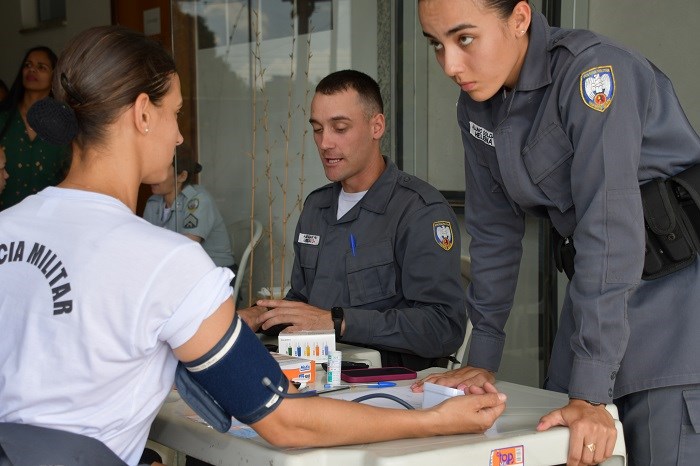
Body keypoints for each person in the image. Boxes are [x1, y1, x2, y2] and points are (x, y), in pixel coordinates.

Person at [0, 25, 507, 465]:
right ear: (142, 114)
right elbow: (285, 423)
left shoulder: (9, 227)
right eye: (175, 112)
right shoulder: (165, 260)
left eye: (340, 127)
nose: (180, 137)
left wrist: (226, 323)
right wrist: (435, 421)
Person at [416, 1, 700, 465]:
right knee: (554, 446)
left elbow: (609, 231)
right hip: (595, 310)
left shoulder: (593, 75)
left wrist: (588, 393)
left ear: (520, 19)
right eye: (436, 45)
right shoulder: (476, 107)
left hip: (676, 317)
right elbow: (493, 233)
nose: (450, 65)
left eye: (464, 39)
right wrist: (483, 357)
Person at [239, 69, 467, 371]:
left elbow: (443, 328)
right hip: (316, 371)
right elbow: (303, 301)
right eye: (318, 129)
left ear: (377, 126)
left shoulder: (419, 211)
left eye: (340, 128)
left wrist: (339, 322)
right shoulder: (317, 207)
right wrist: (259, 315)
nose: (324, 143)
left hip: (386, 386)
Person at [143, 144, 236, 271]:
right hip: (181, 271)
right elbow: (145, 244)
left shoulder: (199, 200)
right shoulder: (153, 203)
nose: (153, 176)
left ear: (182, 176)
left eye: (161, 170)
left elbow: (187, 246)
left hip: (216, 272)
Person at [0, 46, 71, 211]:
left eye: (41, 67)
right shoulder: (3, 118)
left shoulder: (63, 124)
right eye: (28, 65)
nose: (32, 69)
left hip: (48, 221)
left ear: (54, 76)